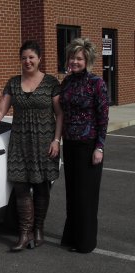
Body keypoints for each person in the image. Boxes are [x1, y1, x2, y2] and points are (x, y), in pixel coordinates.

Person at [0, 41, 63, 251]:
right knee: (21, 186)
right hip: (19, 142)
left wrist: (56, 140)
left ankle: (39, 230)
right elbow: (0, 110)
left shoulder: (51, 82)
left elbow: (60, 114)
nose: (27, 61)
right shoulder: (13, 83)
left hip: (44, 142)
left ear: (39, 59)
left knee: (42, 186)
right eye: (24, 57)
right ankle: (24, 233)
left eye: (31, 57)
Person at [59, 38, 109, 253]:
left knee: (86, 195)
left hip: (88, 145)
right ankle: (72, 238)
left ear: (87, 59)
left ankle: (86, 242)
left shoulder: (97, 83)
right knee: (72, 193)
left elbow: (103, 117)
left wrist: (100, 147)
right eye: (72, 57)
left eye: (79, 58)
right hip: (70, 144)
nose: (75, 61)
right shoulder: (67, 82)